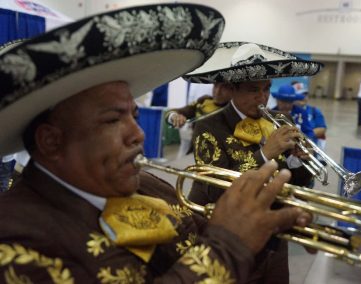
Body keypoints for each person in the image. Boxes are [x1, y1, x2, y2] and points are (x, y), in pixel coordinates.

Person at [0, 4, 312, 283]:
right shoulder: (16, 240)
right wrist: (228, 245)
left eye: (134, 115)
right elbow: (217, 238)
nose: (138, 134)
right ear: (51, 141)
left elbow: (201, 236)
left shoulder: (146, 184)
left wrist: (267, 226)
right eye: (112, 119)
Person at [183, 42, 323, 283]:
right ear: (231, 89)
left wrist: (299, 161)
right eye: (253, 90)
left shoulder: (281, 118)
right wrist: (265, 154)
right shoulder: (210, 126)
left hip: (274, 235)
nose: (263, 98)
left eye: (267, 89)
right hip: (228, 238)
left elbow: (295, 183)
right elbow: (214, 188)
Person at [165, 82, 233, 158]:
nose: (217, 92)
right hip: (194, 152)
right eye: (215, 85)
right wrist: (174, 116)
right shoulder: (203, 101)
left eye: (224, 87)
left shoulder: (234, 110)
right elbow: (177, 111)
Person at [292, 82, 327, 151]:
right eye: (300, 94)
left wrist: (303, 135)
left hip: (310, 149)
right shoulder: (288, 111)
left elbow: (322, 129)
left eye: (305, 94)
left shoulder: (314, 111)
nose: (303, 97)